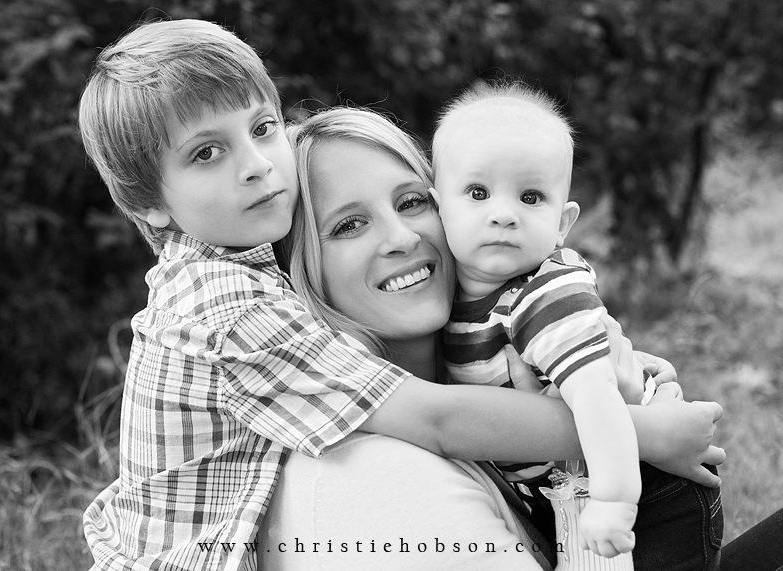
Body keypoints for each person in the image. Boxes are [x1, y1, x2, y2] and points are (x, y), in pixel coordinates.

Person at [76, 19, 724, 571]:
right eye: (206, 153)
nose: (256, 165)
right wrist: (633, 432)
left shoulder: (235, 253)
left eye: (263, 127)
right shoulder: (226, 307)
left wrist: (590, 373)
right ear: (147, 203)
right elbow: (438, 418)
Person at [257, 105, 728, 570]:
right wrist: (638, 435)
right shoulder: (372, 474)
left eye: (410, 202)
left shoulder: (489, 343)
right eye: (348, 225)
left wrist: (612, 378)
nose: (401, 238)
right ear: (300, 269)